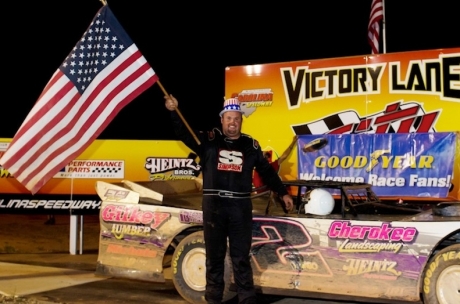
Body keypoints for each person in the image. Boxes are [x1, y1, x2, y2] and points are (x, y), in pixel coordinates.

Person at [165, 95, 293, 304]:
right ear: (222, 120)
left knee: (241, 257)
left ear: (241, 121)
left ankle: (246, 299)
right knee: (214, 258)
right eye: (229, 118)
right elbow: (184, 134)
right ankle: (213, 298)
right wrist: (173, 112)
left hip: (240, 208)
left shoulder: (250, 145)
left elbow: (267, 171)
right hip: (214, 208)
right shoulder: (208, 140)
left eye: (237, 119)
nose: (233, 122)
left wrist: (283, 192)